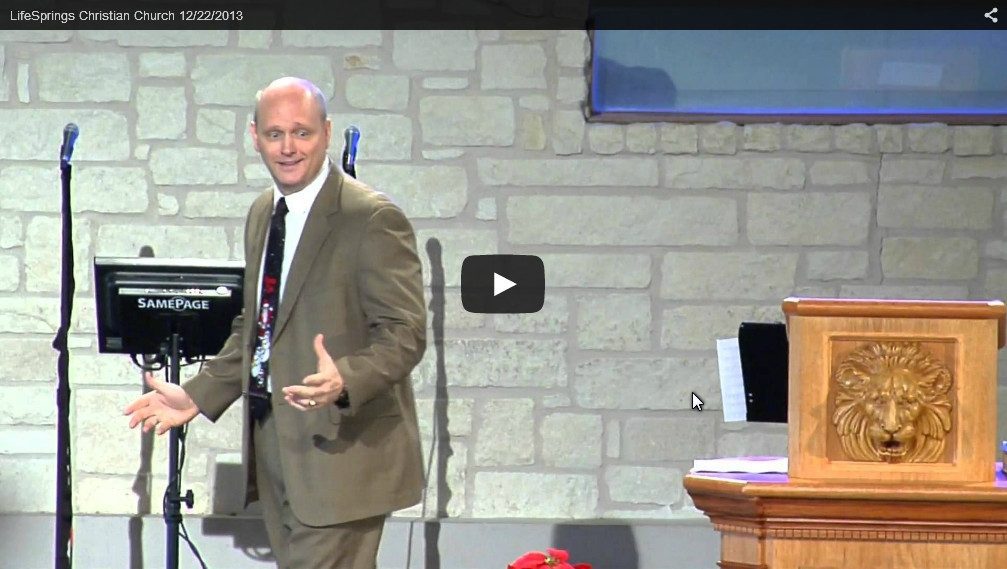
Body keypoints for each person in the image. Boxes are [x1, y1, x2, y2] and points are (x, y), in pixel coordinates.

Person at [123, 76, 427, 569]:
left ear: (327, 133)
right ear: (254, 137)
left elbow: (406, 332)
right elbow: (258, 322)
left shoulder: (370, 218)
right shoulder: (265, 211)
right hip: (279, 453)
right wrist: (200, 395)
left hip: (342, 458)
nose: (288, 148)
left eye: (302, 133)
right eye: (274, 134)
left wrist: (345, 378)